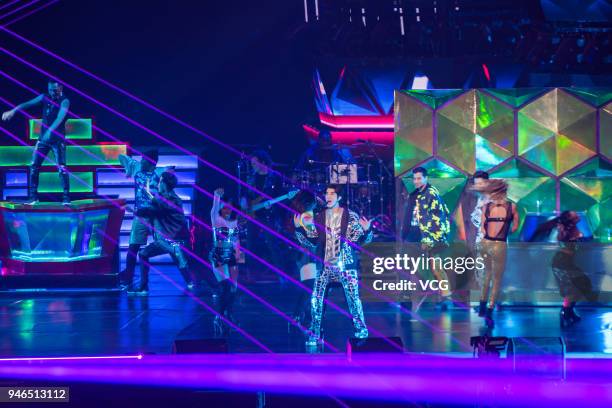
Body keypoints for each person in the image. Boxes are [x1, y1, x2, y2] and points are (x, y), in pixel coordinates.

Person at [296, 184, 372, 347]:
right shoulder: (319, 217)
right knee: (316, 299)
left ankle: (361, 331)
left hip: (345, 266)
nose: (328, 196)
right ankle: (316, 332)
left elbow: (360, 241)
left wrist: (367, 231)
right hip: (325, 267)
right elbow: (312, 241)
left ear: (339, 198)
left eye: (332, 193)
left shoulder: (350, 216)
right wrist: (299, 231)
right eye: (326, 193)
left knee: (354, 300)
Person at [2, 79, 71, 205]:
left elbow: (60, 117)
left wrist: (50, 130)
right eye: (50, 89)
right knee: (33, 166)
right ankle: (33, 198)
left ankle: (66, 199)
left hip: (57, 140)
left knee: (62, 168)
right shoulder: (45, 97)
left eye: (54, 90)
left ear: (60, 88)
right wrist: (13, 110)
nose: (52, 92)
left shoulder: (65, 101)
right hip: (43, 140)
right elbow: (27, 104)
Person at [134, 171, 194, 295]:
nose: (159, 183)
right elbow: (154, 210)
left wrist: (140, 208)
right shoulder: (167, 198)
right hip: (173, 238)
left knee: (144, 254)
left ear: (165, 184)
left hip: (171, 239)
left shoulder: (172, 200)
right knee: (180, 261)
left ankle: (144, 287)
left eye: (161, 181)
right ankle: (192, 284)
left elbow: (156, 208)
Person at [402, 167, 452, 309]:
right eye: (415, 178)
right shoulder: (414, 195)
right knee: (406, 266)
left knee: (435, 266)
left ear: (426, 178)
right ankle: (406, 297)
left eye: (419, 178)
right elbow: (409, 216)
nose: (416, 181)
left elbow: (440, 218)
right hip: (413, 234)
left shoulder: (432, 194)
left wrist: (432, 237)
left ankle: (446, 296)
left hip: (428, 236)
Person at [118, 149, 168, 290]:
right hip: (140, 215)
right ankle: (128, 277)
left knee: (166, 245)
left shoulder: (159, 173)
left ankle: (189, 276)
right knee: (133, 247)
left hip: (156, 215)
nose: (141, 161)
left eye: (144, 159)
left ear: (151, 162)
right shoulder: (137, 169)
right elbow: (120, 156)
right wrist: (128, 170)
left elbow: (170, 175)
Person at [536, 211, 593, 327]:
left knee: (581, 285)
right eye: (574, 215)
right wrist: (582, 238)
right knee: (572, 289)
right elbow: (569, 240)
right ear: (570, 220)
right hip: (562, 262)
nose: (577, 215)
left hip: (566, 262)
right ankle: (565, 312)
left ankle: (569, 311)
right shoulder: (566, 230)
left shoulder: (572, 228)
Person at [478, 179, 519, 327]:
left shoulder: (486, 207)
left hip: (485, 244)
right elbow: (515, 227)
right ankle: (490, 307)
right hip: (499, 244)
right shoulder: (512, 207)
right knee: (497, 279)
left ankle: (482, 304)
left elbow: (482, 229)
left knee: (487, 275)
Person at [210, 188, 241, 335]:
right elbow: (214, 207)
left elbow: (237, 242)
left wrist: (239, 259)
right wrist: (216, 196)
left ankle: (227, 314)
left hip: (232, 257)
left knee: (233, 290)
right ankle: (220, 316)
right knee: (225, 287)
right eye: (224, 205)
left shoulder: (234, 221)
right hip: (219, 255)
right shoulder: (216, 218)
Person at [289, 191, 318, 332]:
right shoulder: (307, 216)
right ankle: (298, 316)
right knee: (309, 289)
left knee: (308, 288)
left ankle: (305, 318)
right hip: (308, 256)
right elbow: (312, 238)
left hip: (303, 256)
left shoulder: (302, 215)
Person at [468, 171, 491, 315]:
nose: (478, 186)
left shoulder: (493, 198)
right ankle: (484, 304)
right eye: (476, 184)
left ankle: (487, 305)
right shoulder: (481, 198)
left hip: (491, 241)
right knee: (481, 274)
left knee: (487, 274)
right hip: (481, 240)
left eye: (480, 183)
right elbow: (476, 220)